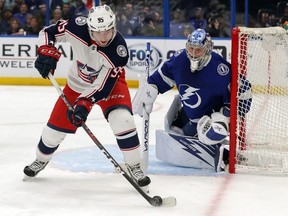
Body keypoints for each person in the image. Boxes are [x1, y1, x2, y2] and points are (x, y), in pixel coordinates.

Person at [23, 5, 151, 190]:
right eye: (98, 32)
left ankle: (134, 166)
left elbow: (102, 85)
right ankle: (40, 160)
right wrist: (45, 50)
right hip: (76, 85)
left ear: (114, 27)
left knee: (123, 121)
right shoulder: (77, 26)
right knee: (53, 132)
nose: (103, 37)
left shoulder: (118, 50)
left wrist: (84, 103)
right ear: (90, 28)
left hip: (110, 86)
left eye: (107, 31)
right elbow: (47, 32)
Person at [133, 29, 252, 172]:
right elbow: (162, 78)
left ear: (207, 49)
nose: (193, 54)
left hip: (211, 118)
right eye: (191, 48)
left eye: (198, 50)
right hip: (189, 114)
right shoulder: (179, 60)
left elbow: (245, 92)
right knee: (176, 130)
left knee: (213, 133)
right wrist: (151, 87)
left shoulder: (221, 69)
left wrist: (225, 117)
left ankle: (222, 151)